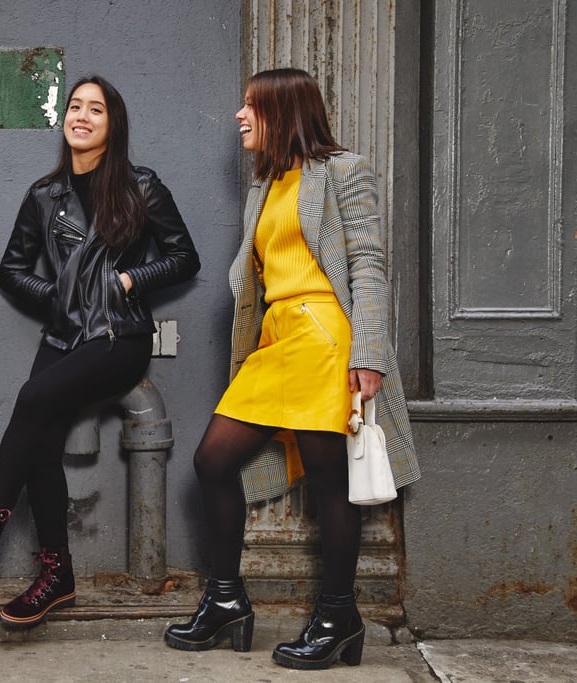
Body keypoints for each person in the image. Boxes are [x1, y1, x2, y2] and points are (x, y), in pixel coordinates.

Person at [163, 68, 420, 668]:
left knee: (332, 482)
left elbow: (369, 266)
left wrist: (370, 357)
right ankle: (227, 598)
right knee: (211, 461)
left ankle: (337, 616)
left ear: (284, 110)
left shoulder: (343, 171)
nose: (240, 116)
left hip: (326, 336)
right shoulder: (267, 184)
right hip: (278, 340)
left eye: (252, 105)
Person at [0, 75, 200, 628]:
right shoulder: (44, 195)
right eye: (74, 106)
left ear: (112, 125)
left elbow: (184, 257)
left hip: (118, 336)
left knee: (31, 399)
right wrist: (57, 295)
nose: (81, 116)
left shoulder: (142, 187)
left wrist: (128, 281)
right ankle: (57, 577)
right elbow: (9, 271)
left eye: (95, 109)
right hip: (63, 335)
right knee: (40, 445)